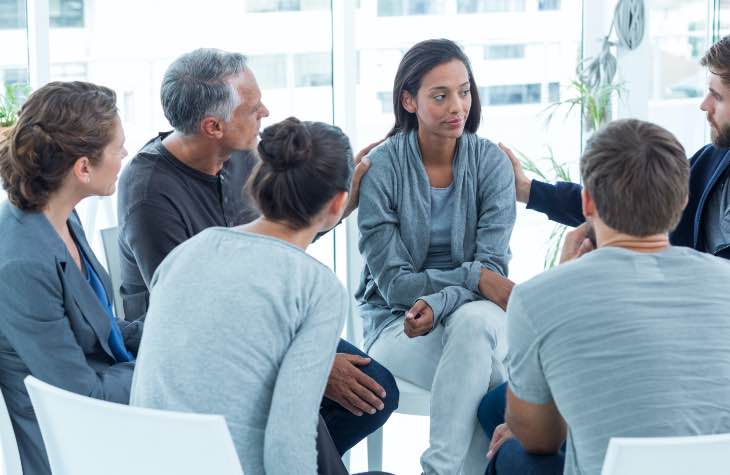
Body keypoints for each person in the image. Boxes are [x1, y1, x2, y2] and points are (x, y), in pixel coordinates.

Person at [116, 48, 398, 461]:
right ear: (213, 126)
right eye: (252, 108)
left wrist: (329, 200)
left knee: (376, 392)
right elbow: (200, 312)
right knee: (308, 416)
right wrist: (313, 366)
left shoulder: (242, 156)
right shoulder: (149, 192)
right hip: (200, 336)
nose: (265, 111)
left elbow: (277, 236)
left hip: (259, 308)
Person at [485, 119, 730, 475]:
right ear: (684, 198)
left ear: (587, 202)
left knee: (511, 452)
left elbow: (540, 439)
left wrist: (560, 276)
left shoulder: (537, 298)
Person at [356, 38, 516, 475]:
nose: (457, 106)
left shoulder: (490, 164)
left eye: (464, 91)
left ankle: (438, 470)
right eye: (440, 95)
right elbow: (396, 286)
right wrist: (475, 278)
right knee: (486, 375)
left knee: (475, 323)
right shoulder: (382, 168)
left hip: (475, 318)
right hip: (397, 326)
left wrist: (446, 298)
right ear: (408, 100)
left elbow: (494, 272)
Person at [0, 81, 143, 475]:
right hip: (68, 443)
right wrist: (164, 366)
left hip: (101, 409)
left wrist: (170, 331)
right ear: (83, 168)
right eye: (118, 148)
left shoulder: (61, 215)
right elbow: (80, 395)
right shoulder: (21, 263)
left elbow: (98, 327)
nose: (126, 155)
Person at [503, 34, 730, 259]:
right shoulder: (710, 161)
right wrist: (528, 190)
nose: (704, 105)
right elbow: (621, 202)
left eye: (716, 96)